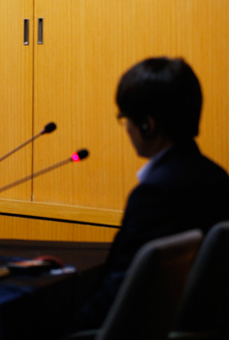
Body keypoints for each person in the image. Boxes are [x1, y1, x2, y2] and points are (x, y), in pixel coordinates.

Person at [69, 57, 229, 330]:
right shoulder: (218, 178)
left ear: (147, 125)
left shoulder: (155, 195)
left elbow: (116, 295)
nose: (127, 128)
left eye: (125, 118)